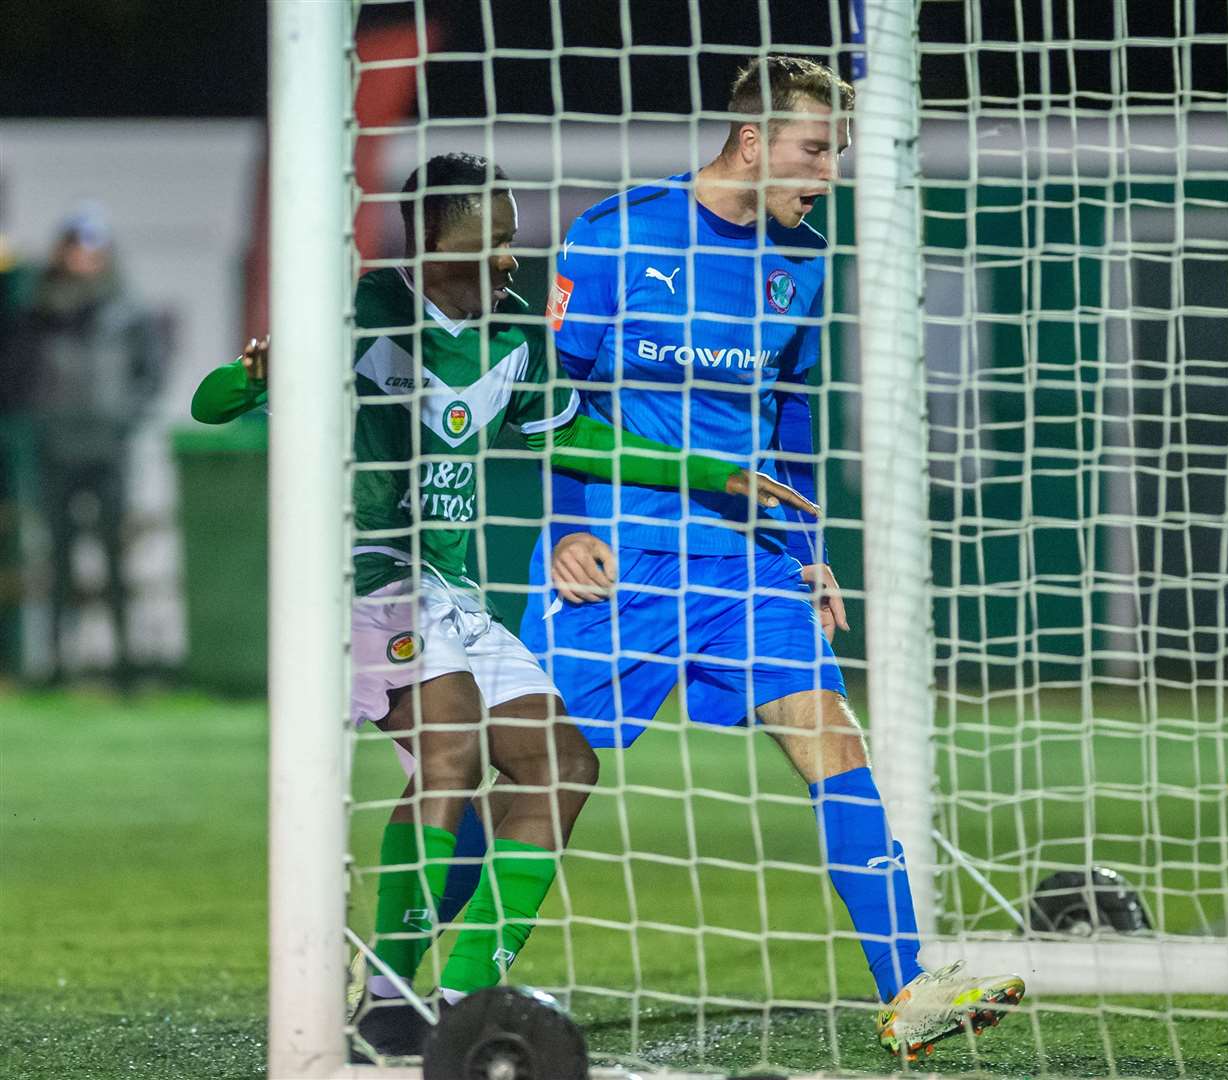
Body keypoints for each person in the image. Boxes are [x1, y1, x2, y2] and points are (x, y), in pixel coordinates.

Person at [191, 152, 816, 1059]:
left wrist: (713, 473)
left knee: (563, 768)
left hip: (451, 597)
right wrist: (255, 377)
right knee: (446, 753)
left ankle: (461, 995)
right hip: (362, 585)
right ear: (437, 246)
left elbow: (585, 438)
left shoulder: (512, 337)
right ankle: (388, 998)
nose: (512, 260)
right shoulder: (356, 315)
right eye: (494, 243)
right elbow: (212, 403)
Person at [521, 57, 1024, 1058]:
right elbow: (553, 407)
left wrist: (808, 550)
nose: (825, 173)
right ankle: (415, 973)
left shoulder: (799, 260)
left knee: (836, 746)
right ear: (750, 141)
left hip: (743, 565)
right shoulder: (614, 234)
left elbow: (789, 415)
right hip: (618, 556)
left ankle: (908, 989)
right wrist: (568, 525)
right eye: (812, 150)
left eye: (832, 153)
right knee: (538, 783)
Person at [9, 204, 164, 687]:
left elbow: (149, 376)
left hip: (108, 450)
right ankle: (55, 665)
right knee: (57, 558)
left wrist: (123, 421)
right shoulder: (38, 311)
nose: (84, 257)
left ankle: (124, 665)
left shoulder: (127, 312)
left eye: (92, 248)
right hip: (55, 448)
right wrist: (38, 419)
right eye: (77, 247)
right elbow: (17, 373)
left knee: (116, 562)